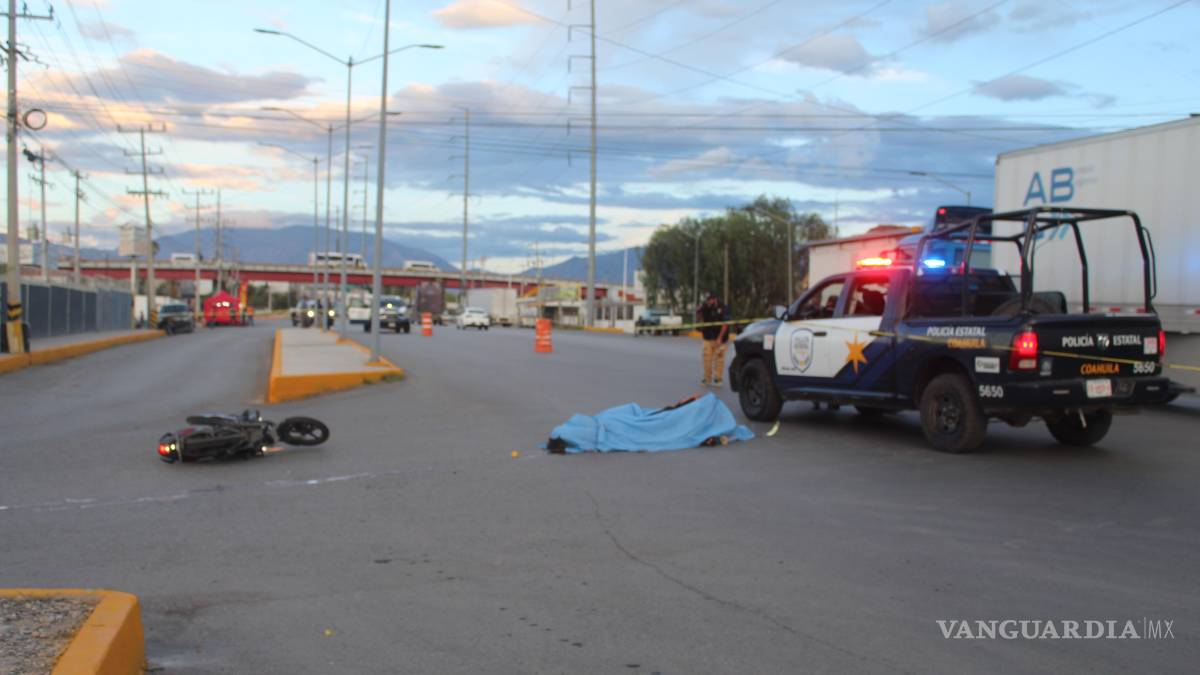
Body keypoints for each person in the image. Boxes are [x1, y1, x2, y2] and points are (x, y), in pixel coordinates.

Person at [697, 292, 731, 387]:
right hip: (708, 337)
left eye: (709, 300)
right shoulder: (705, 307)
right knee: (706, 358)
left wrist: (719, 338)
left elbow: (725, 324)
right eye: (707, 300)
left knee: (719, 359)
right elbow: (699, 319)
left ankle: (717, 379)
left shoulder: (724, 307)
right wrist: (698, 312)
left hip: (720, 338)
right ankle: (707, 378)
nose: (708, 302)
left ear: (714, 299)